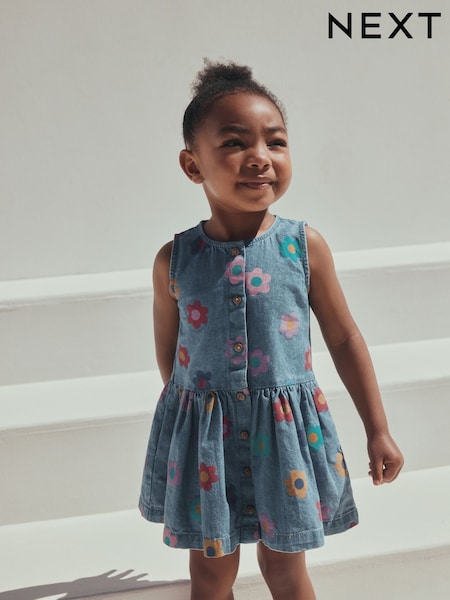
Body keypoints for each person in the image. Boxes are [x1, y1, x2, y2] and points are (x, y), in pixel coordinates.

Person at [139, 60, 404, 600]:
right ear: (193, 165)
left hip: (283, 441)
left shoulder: (304, 248)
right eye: (235, 143)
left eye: (276, 142)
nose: (260, 156)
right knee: (211, 575)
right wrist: (196, 420)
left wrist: (377, 428)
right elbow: (172, 355)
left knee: (285, 570)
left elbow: (344, 339)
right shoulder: (175, 259)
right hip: (207, 445)